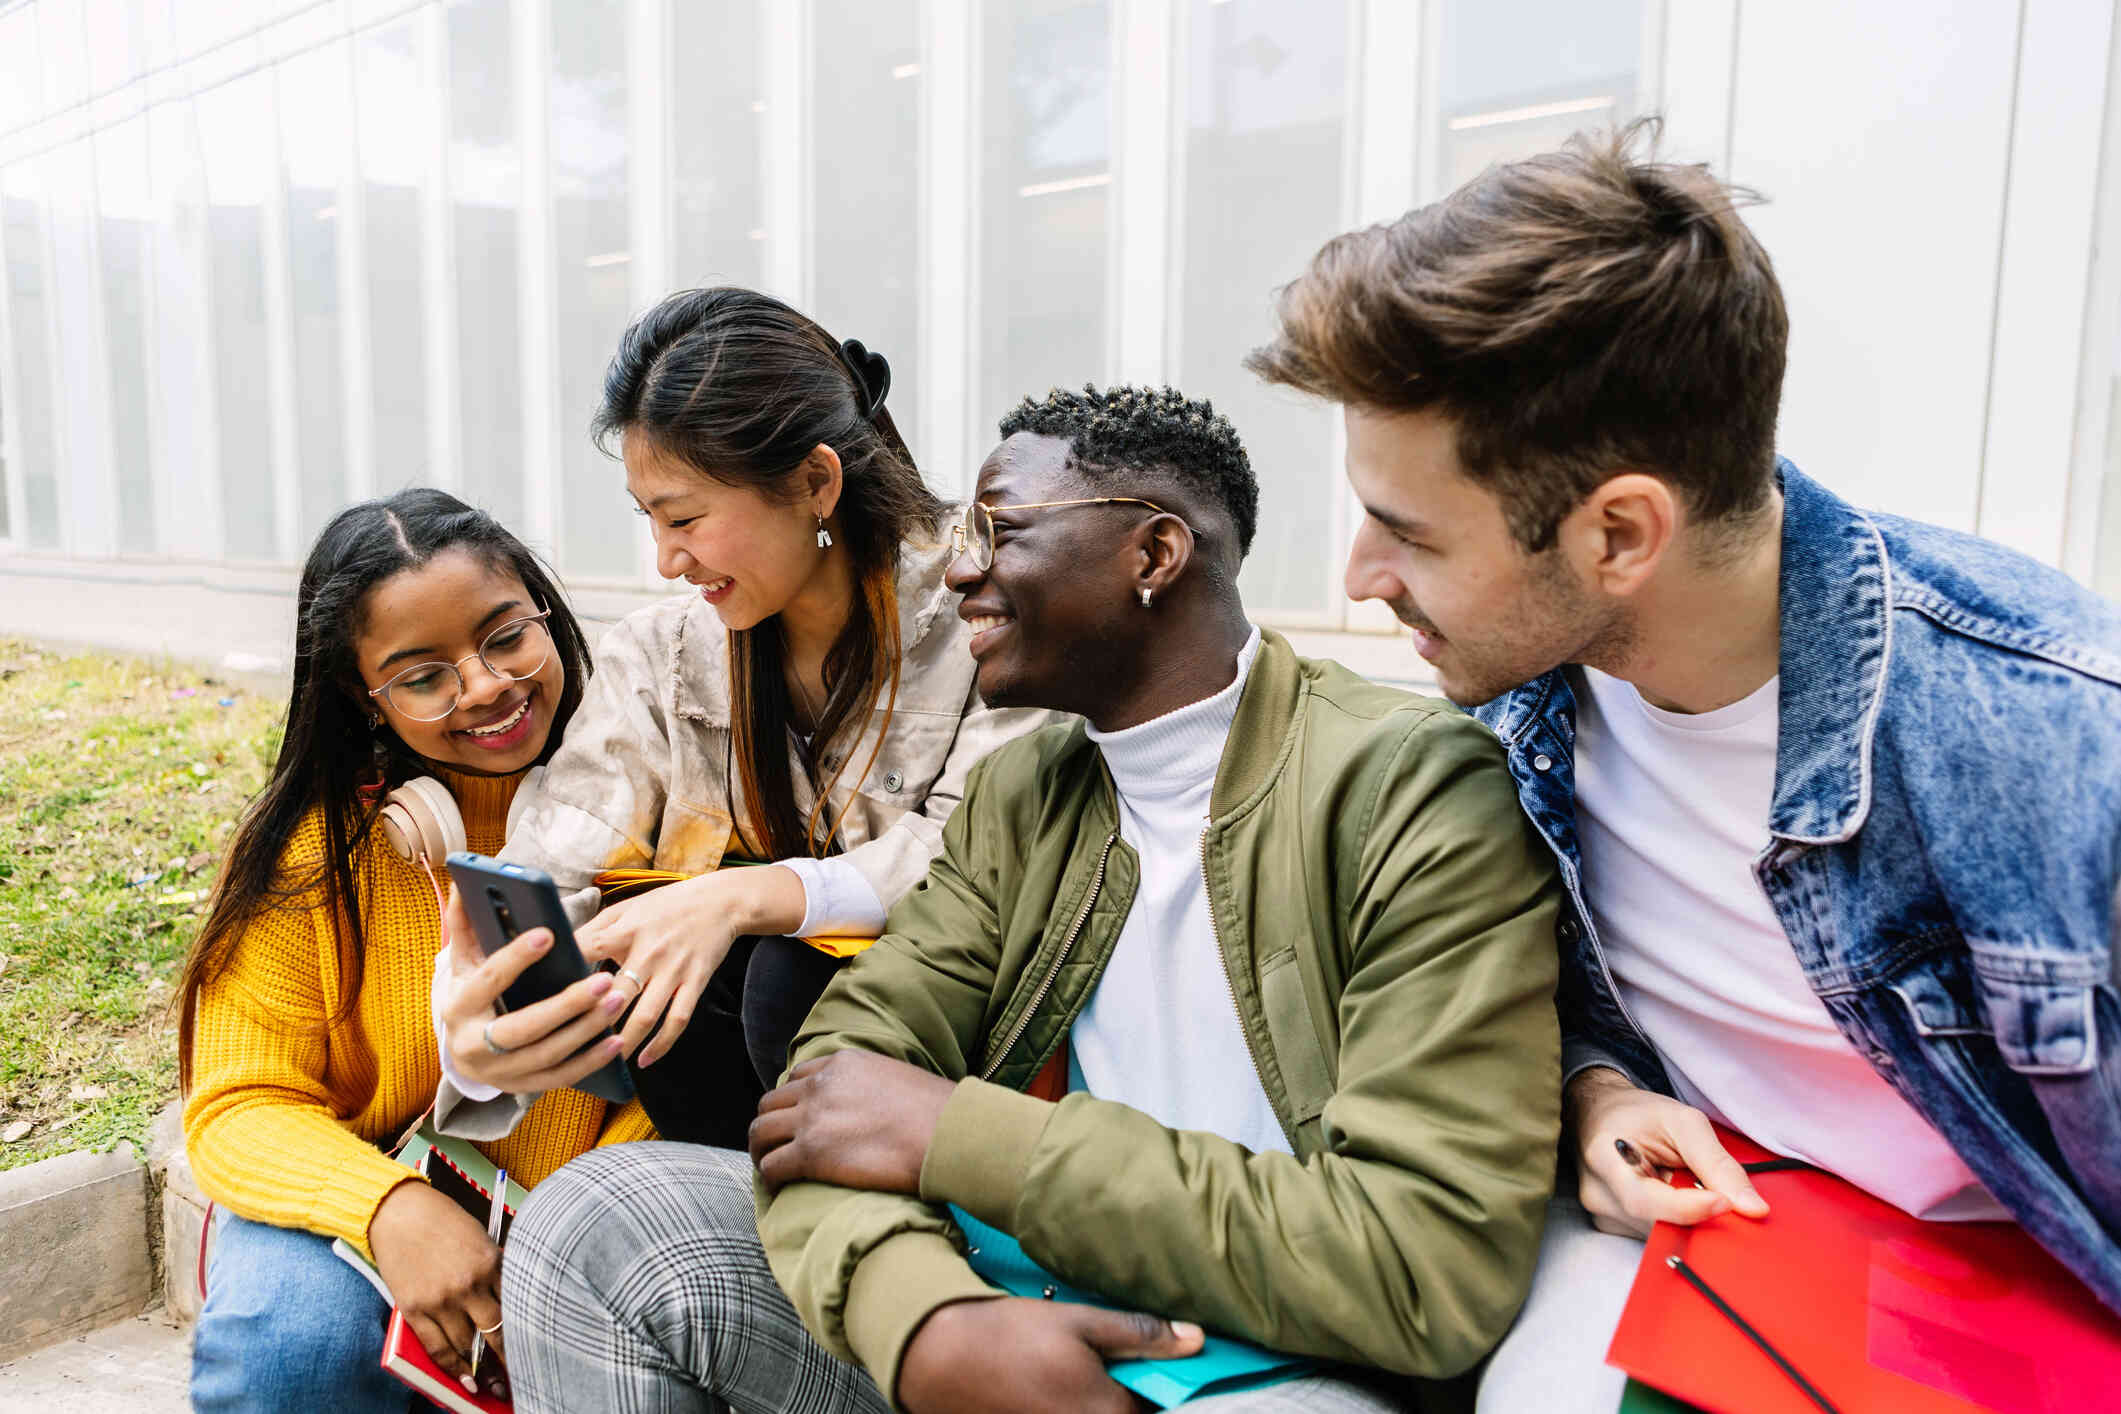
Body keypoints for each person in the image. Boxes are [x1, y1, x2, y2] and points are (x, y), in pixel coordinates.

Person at [1245, 121, 2121, 1412]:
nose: (1361, 580)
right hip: (1739, 1269)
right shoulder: (1510, 701)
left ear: (1619, 535)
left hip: (2033, 1314)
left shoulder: (2051, 745)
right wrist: (1596, 1095)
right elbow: (1549, 992)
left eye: (1407, 535)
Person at [491, 384, 1565, 1414]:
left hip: (1266, 1364)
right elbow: (826, 1094)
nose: (959, 572)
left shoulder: (1406, 783)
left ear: (1154, 553)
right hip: (989, 1314)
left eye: (1001, 532)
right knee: (598, 1221)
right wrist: (928, 1320)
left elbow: (1428, 1261)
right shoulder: (1027, 787)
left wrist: (967, 1138)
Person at [432, 288, 1053, 1149]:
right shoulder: (661, 657)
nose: (664, 560)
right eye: (648, 519)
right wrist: (475, 1025)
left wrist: (750, 895)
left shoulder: (993, 606)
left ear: (815, 481)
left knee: (780, 972)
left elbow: (978, 858)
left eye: (685, 518)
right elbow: (554, 866)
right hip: (736, 1126)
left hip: (968, 1100)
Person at [179, 489, 656, 1412]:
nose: (482, 686)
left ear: (548, 614)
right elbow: (239, 1107)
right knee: (291, 1348)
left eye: (506, 636)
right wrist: (392, 1211)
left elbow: (689, 1082)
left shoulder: (665, 808)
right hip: (354, 1191)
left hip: (582, 1211)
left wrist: (551, 1244)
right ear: (366, 698)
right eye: (423, 675)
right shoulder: (308, 853)